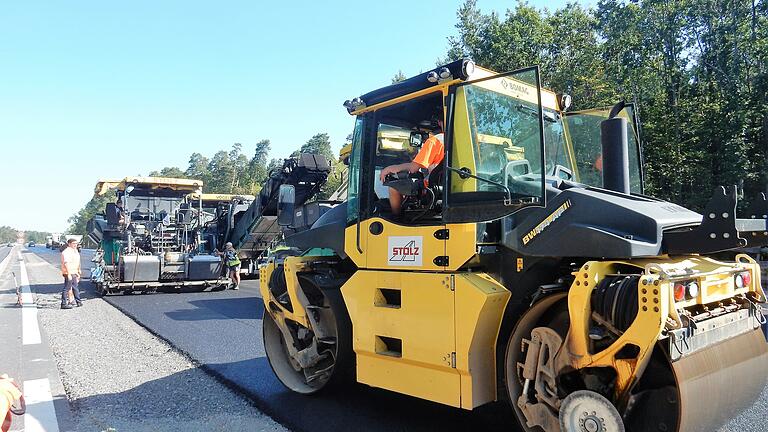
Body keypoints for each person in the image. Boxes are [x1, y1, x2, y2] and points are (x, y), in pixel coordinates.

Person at [379, 118, 444, 215]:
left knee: (393, 187)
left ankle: (396, 218)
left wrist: (390, 168)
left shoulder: (435, 141)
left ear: (439, 122)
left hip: (434, 190)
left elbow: (413, 168)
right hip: (447, 190)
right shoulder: (460, 140)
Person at [60, 238, 83, 309]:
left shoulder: (75, 251)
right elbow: (66, 263)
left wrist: (78, 270)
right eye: (73, 243)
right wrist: (69, 274)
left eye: (76, 243)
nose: (75, 245)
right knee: (67, 288)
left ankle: (78, 301)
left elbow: (77, 261)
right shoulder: (66, 252)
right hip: (68, 272)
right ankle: (63, 304)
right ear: (69, 244)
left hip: (74, 272)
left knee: (75, 287)